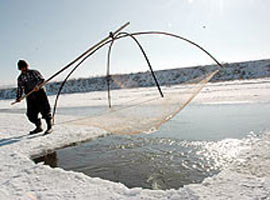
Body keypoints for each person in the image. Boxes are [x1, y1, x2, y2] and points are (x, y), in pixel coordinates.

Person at [15, 59, 53, 135]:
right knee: (31, 114)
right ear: (20, 68)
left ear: (27, 66)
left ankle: (49, 127)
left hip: (40, 94)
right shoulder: (20, 78)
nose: (24, 69)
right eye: (22, 68)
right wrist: (18, 97)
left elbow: (42, 80)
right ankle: (38, 127)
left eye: (25, 67)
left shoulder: (34, 72)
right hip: (30, 96)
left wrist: (37, 86)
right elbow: (20, 88)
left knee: (45, 111)